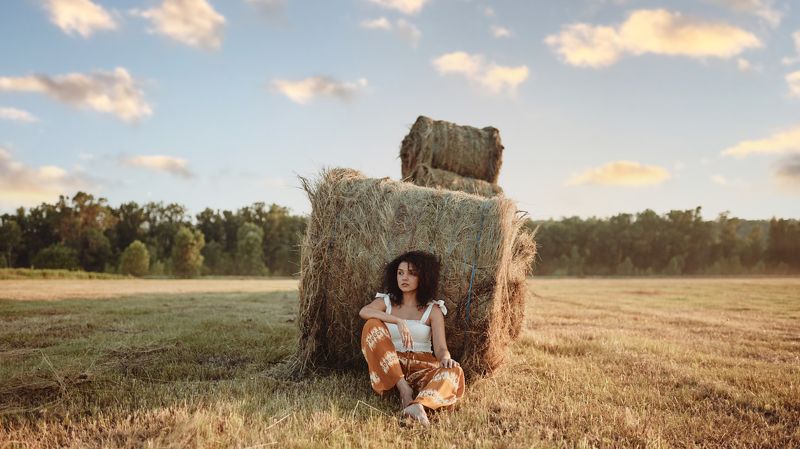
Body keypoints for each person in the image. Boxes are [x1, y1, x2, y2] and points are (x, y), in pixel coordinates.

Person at [358, 250, 465, 425]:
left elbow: (440, 348)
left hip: (422, 367)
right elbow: (364, 312)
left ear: (423, 277)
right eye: (400, 273)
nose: (404, 278)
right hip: (391, 366)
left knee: (455, 371)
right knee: (371, 325)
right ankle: (403, 389)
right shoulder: (386, 302)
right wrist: (398, 321)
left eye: (411, 273)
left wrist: (446, 359)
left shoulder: (433, 309)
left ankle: (418, 405)